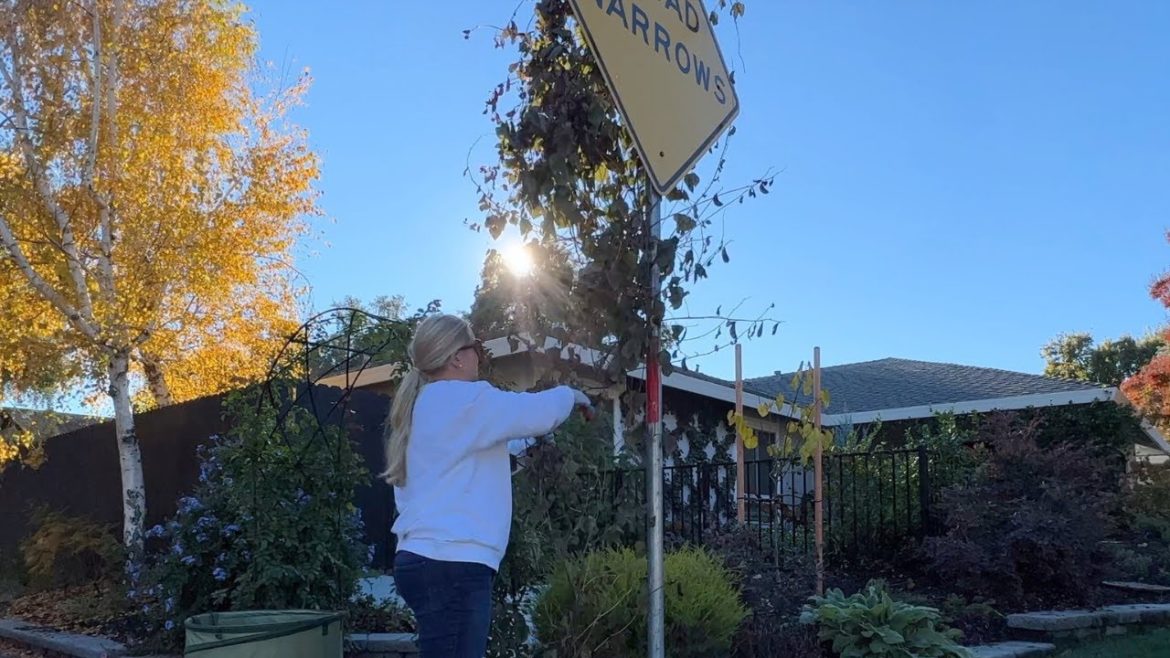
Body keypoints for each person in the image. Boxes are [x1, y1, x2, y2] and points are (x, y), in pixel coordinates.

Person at [382, 314, 591, 657]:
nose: (479, 354)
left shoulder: (428, 406)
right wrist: (574, 395)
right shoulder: (464, 399)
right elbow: (536, 411)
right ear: (456, 357)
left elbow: (482, 452)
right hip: (453, 565)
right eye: (475, 346)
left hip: (427, 561)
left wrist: (528, 445)